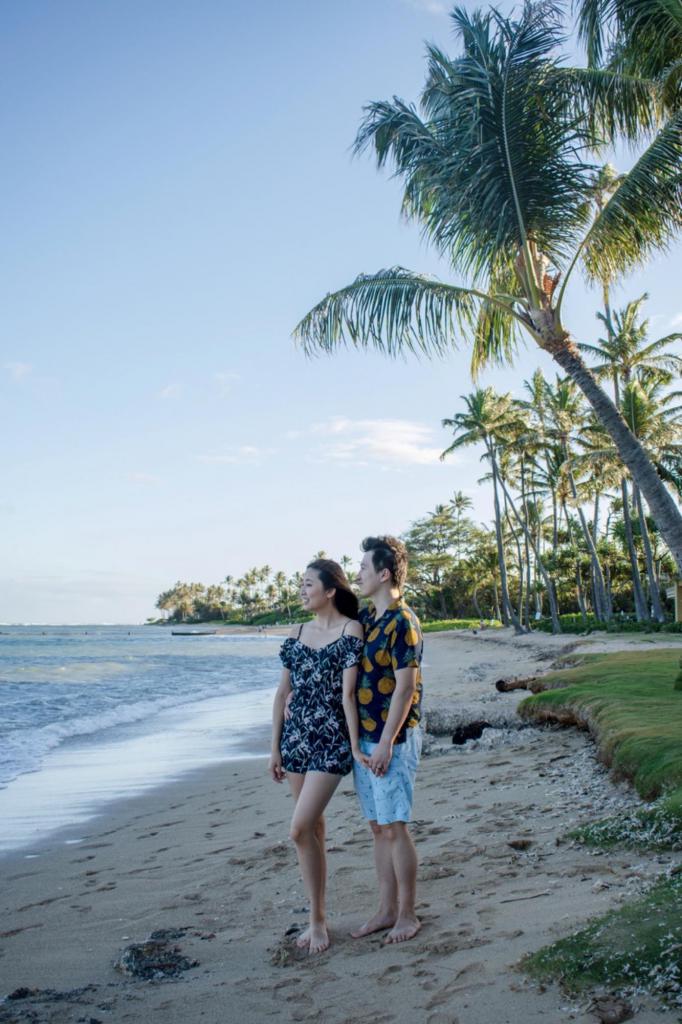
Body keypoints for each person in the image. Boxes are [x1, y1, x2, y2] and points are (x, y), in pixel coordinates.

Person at [269, 559, 365, 955]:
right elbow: (281, 694)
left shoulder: (350, 629)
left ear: (330, 590)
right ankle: (318, 916)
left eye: (308, 584)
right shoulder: (297, 632)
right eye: (300, 584)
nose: (302, 590)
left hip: (329, 743)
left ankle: (317, 922)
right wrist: (274, 746)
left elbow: (347, 696)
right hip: (295, 741)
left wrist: (355, 746)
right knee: (313, 832)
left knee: (298, 829)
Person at [351, 535, 424, 944]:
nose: (359, 573)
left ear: (383, 574)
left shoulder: (403, 621)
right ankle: (385, 910)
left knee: (395, 826)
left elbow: (405, 688)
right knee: (378, 827)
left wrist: (385, 743)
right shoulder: (368, 619)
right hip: (367, 739)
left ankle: (408, 914)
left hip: (393, 739)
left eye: (364, 567)